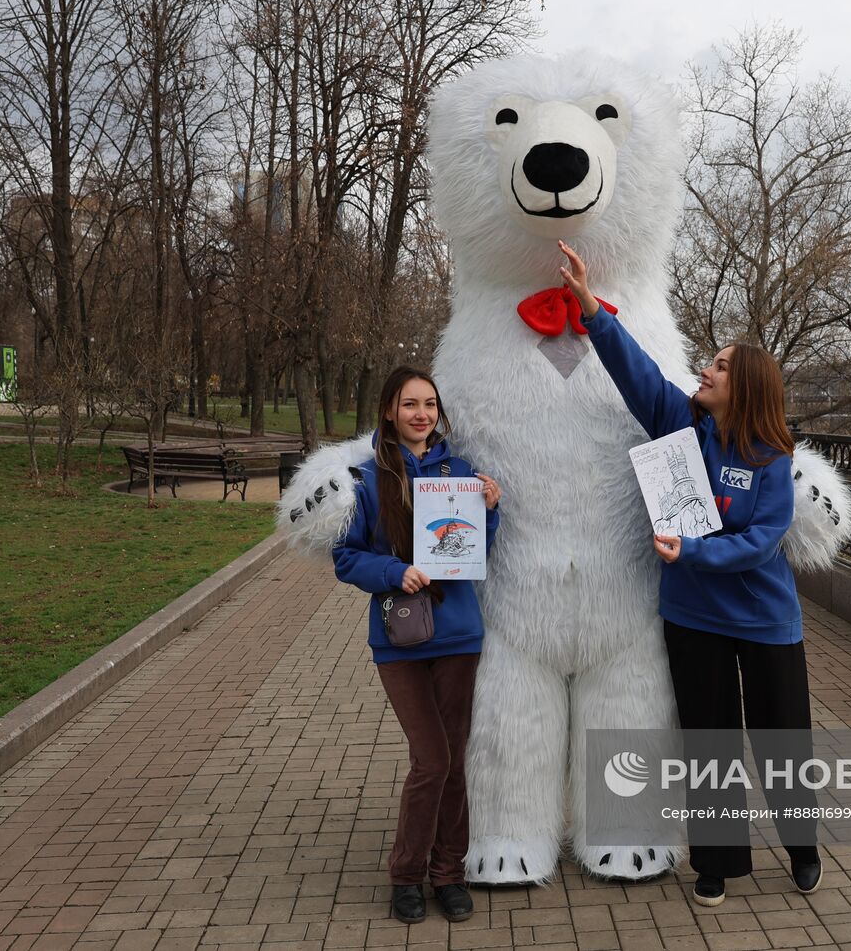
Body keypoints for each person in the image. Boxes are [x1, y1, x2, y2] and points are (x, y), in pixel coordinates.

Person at [558, 240, 822, 908]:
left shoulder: (772, 460)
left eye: (720, 367)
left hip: (764, 622)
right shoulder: (683, 424)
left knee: (780, 739)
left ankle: (801, 844)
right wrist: (591, 309)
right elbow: (637, 372)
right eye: (709, 362)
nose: (705, 370)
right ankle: (716, 860)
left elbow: (760, 544)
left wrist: (694, 554)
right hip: (693, 619)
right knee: (709, 740)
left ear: (749, 386)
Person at [331, 366, 502, 925]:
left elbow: (476, 548)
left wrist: (490, 509)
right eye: (409, 404)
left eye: (429, 404)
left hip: (458, 634)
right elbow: (347, 557)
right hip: (400, 635)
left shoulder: (459, 471)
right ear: (389, 411)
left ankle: (448, 873)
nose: (421, 414)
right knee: (432, 759)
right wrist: (393, 570)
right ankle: (406, 874)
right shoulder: (365, 476)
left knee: (452, 761)